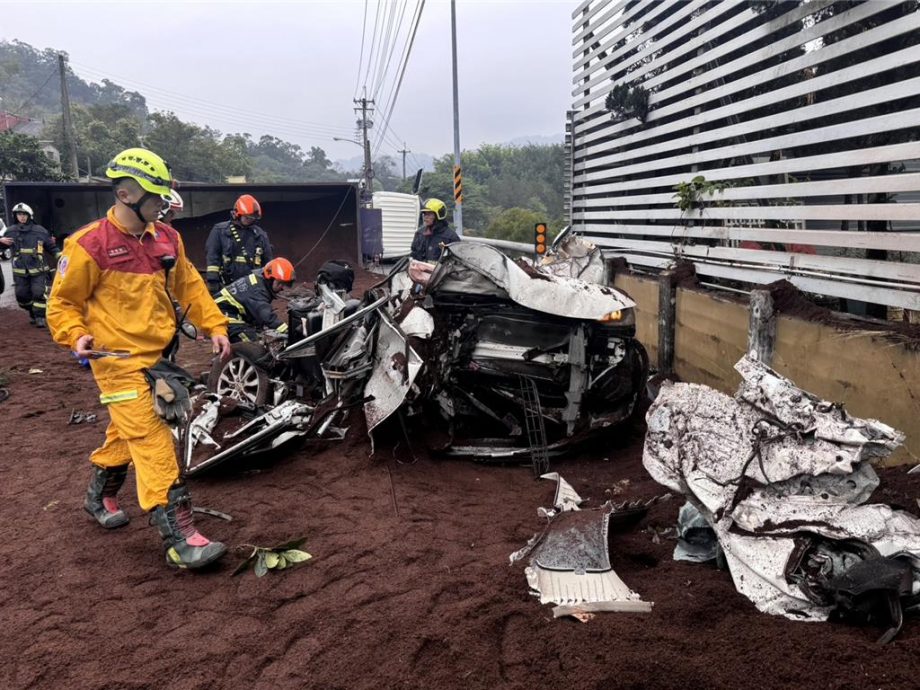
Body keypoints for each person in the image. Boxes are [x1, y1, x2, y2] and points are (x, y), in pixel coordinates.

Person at [47, 147, 233, 570]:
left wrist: (215, 326)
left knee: (125, 432)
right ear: (127, 193)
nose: (163, 204)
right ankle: (180, 538)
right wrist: (75, 336)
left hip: (158, 359)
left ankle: (99, 495)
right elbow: (61, 305)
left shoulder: (167, 238)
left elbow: (191, 287)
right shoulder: (88, 244)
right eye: (156, 196)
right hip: (115, 363)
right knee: (152, 435)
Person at [0, 202, 59, 327]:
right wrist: (0, 241)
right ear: (15, 216)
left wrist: (61, 257)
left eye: (24, 214)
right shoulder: (10, 231)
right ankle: (32, 311)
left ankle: (40, 317)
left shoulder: (40, 231)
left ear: (29, 215)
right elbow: (2, 248)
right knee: (21, 296)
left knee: (38, 293)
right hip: (20, 271)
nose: (21, 217)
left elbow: (52, 248)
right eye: (19, 214)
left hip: (39, 269)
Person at [214, 257, 294, 343]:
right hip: (222, 314)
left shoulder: (259, 281)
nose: (282, 288)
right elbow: (266, 316)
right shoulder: (258, 290)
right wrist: (288, 331)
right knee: (253, 345)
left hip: (230, 312)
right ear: (270, 279)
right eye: (280, 283)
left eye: (285, 284)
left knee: (256, 334)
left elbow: (255, 314)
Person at [205, 194, 273, 293]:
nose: (250, 221)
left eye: (252, 219)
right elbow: (212, 255)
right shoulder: (220, 231)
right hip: (226, 284)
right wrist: (212, 280)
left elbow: (268, 261)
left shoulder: (260, 235)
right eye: (247, 218)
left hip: (252, 286)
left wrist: (269, 283)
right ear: (237, 214)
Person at [410, 198, 460, 262]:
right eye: (424, 214)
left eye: (429, 214)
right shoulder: (419, 234)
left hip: (441, 272)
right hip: (420, 271)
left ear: (438, 215)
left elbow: (457, 262)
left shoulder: (451, 237)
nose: (425, 217)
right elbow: (413, 255)